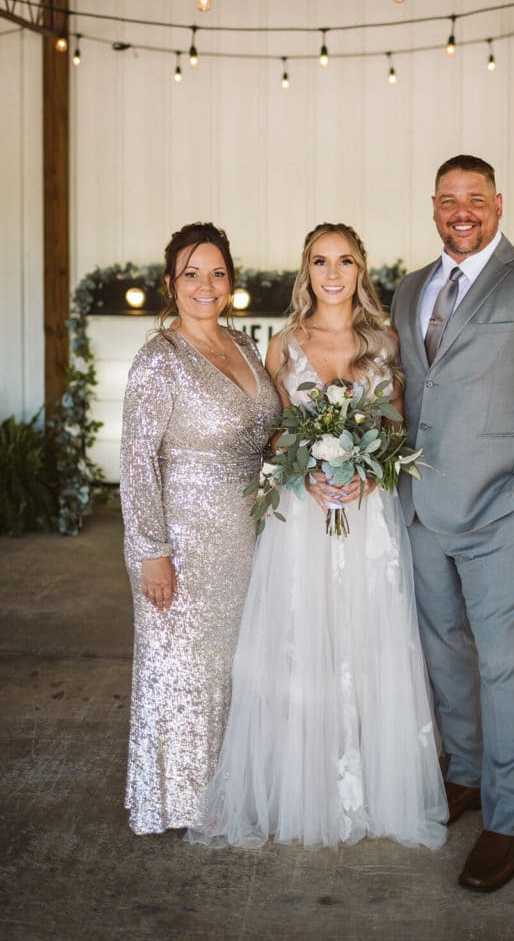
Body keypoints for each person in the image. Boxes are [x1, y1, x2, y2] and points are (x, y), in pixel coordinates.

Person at [188, 222, 448, 850]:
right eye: (320, 261)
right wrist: (307, 468)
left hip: (368, 516)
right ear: (306, 272)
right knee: (301, 636)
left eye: (345, 262)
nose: (333, 274)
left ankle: (372, 781)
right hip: (303, 517)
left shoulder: (386, 343)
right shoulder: (282, 345)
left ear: (362, 270)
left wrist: (366, 470)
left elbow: (401, 430)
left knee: (367, 632)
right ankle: (298, 778)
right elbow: (272, 432)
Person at [391, 155, 514, 891]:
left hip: (500, 511)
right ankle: (467, 775)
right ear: (433, 207)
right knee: (442, 654)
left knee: (504, 667)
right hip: (421, 510)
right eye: (447, 199)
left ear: (498, 204)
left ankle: (505, 820)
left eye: (474, 198)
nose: (460, 211)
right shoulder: (410, 289)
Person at [120, 221, 281, 834]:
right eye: (191, 274)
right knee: (184, 674)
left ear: (231, 282)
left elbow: (259, 434)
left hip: (249, 536)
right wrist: (151, 552)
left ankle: (234, 789)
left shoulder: (241, 345)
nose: (205, 285)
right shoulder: (159, 359)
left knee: (238, 668)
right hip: (184, 544)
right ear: (171, 284)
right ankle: (183, 801)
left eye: (216, 273)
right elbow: (136, 459)